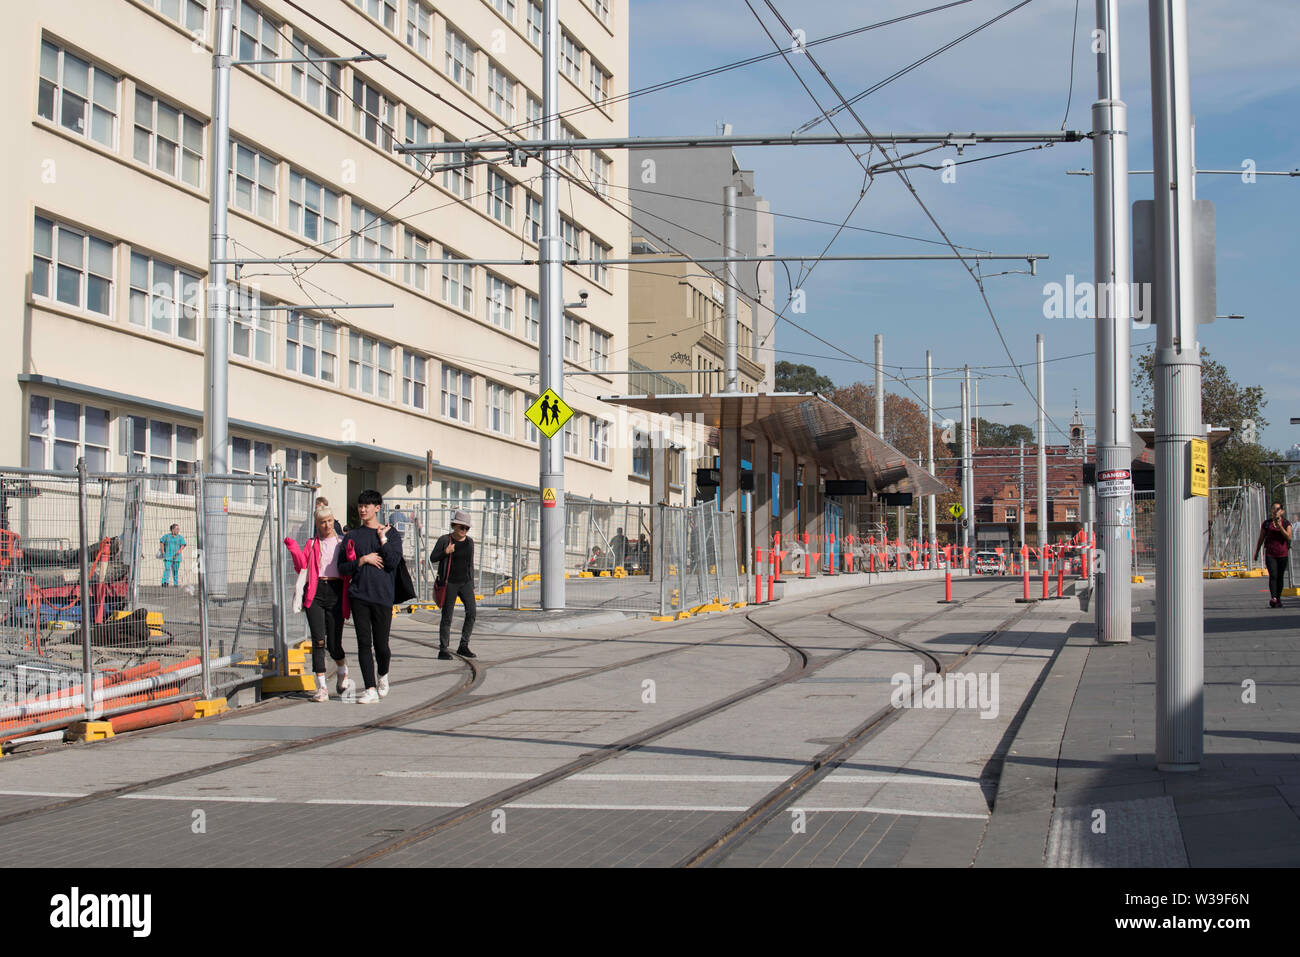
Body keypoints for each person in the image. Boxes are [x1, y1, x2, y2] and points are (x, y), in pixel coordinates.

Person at [338, 490, 404, 703]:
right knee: (364, 643)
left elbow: (393, 562)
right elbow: (342, 568)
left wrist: (383, 539)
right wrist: (362, 560)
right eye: (360, 505)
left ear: (377, 508)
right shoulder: (352, 536)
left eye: (367, 505)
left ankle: (383, 675)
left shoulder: (391, 533)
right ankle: (370, 689)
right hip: (359, 595)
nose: (362, 509)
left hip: (383, 596)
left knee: (382, 646)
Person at [284, 505, 354, 702]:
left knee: (333, 643)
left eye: (330, 521)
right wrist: (293, 548)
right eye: (322, 522)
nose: (327, 525)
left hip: (336, 591)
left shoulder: (341, 542)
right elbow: (301, 566)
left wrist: (351, 552)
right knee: (318, 641)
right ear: (317, 524)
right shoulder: (312, 544)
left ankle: (342, 669)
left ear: (334, 521)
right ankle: (321, 687)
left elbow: (350, 563)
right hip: (315, 592)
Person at [430, 510, 476, 660]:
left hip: (465, 582)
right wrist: (446, 552)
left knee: (472, 612)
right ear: (454, 525)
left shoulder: (469, 542)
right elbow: (433, 557)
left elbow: (470, 563)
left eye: (466, 528)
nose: (464, 531)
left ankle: (463, 645)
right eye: (461, 527)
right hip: (449, 583)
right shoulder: (445, 540)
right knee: (447, 616)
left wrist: (472, 583)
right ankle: (443, 649)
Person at [1254, 500, 1292, 608]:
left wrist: (1280, 527)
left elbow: (1289, 537)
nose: (1275, 511)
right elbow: (1261, 539)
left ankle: (1278, 598)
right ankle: (1273, 597)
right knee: (1273, 575)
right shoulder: (1266, 524)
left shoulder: (1286, 523)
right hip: (1270, 554)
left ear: (1282, 511)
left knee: (1280, 577)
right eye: (1273, 509)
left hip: (1282, 554)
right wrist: (1256, 552)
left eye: (1278, 509)